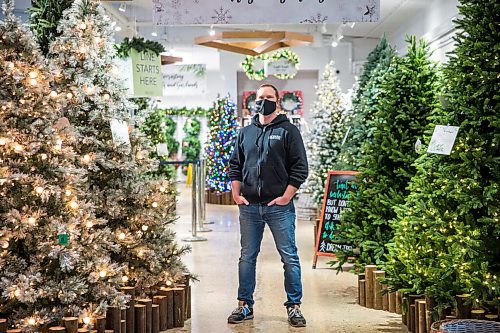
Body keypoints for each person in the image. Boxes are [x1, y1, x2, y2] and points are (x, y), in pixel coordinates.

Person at [228, 83, 308, 327]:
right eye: (260, 97)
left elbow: (300, 168)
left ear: (278, 100)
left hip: (279, 207)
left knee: (289, 256)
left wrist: (286, 197)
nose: (264, 101)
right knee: (247, 257)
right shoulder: (245, 132)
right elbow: (235, 165)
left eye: (269, 97)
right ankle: (244, 305)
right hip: (250, 206)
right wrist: (236, 193)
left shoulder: (288, 131)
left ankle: (294, 307)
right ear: (255, 101)